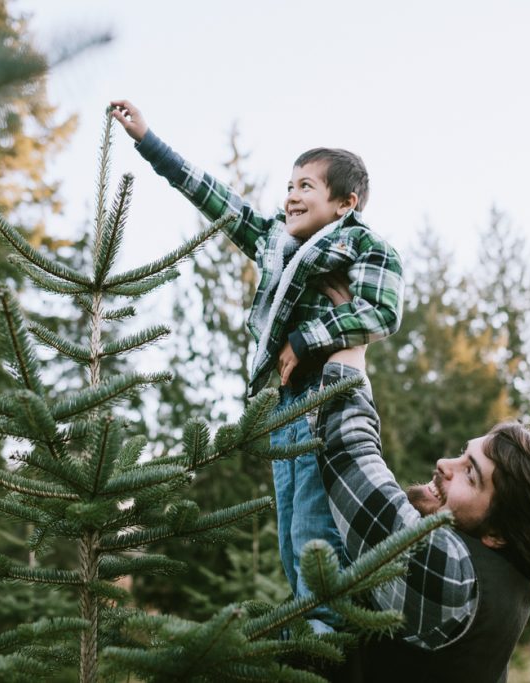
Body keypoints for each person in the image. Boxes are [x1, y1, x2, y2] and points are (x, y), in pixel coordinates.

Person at [110, 100, 404, 632]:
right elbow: (219, 201)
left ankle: (327, 643)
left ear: (346, 202)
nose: (291, 195)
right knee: (292, 534)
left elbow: (381, 311)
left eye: (306, 186)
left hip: (328, 397)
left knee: (316, 530)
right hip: (285, 406)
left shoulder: (364, 245)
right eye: (289, 186)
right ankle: (306, 635)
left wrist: (305, 339)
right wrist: (149, 142)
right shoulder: (277, 243)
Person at [314, 310, 530, 681]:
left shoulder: (453, 581)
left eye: (470, 474)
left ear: (499, 534)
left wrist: (353, 334)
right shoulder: (502, 590)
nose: (443, 464)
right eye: (461, 453)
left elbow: (348, 452)